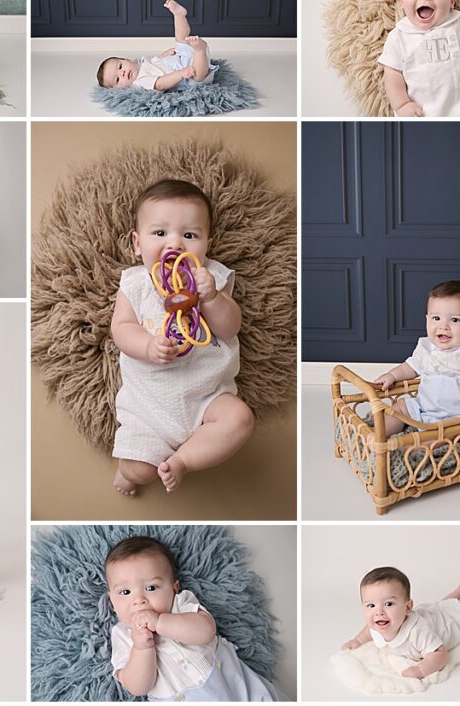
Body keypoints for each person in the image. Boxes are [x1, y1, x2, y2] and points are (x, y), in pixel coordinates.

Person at [110, 179, 253, 495]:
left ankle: (183, 461)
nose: (174, 244)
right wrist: (148, 345)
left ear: (207, 244)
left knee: (240, 419)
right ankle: (129, 472)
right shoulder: (136, 284)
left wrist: (212, 299)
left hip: (207, 398)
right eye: (159, 233)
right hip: (150, 403)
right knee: (138, 469)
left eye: (189, 235)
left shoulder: (212, 278)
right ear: (137, 243)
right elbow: (121, 329)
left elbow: (230, 328)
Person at [107, 535, 281, 700]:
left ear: (174, 588)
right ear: (112, 602)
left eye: (151, 588)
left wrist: (160, 622)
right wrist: (141, 649)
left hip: (234, 686)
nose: (139, 600)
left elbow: (206, 632)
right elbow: (138, 688)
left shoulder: (180, 604)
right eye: (125, 592)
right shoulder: (121, 635)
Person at [341, 566, 460, 679]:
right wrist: (357, 641)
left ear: (408, 607)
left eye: (389, 603)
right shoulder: (378, 624)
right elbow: (368, 631)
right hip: (432, 613)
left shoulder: (418, 632)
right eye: (370, 605)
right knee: (437, 607)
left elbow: (440, 654)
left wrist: (421, 669)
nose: (378, 611)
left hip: (454, 619)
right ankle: (455, 595)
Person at [374, 280, 460, 434]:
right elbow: (410, 367)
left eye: (455, 320)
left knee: (442, 437)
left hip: (455, 416)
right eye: (436, 318)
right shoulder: (426, 346)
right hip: (423, 406)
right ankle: (377, 435)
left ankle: (415, 451)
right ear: (427, 319)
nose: (443, 326)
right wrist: (392, 375)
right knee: (399, 408)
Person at [97, 0, 219, 92]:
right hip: (187, 75)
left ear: (127, 60)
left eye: (120, 66)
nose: (122, 73)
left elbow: (158, 62)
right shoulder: (140, 83)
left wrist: (164, 55)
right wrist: (180, 74)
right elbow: (160, 83)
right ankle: (200, 50)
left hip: (180, 58)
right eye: (117, 79)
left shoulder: (144, 63)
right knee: (198, 76)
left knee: (181, 39)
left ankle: (179, 15)